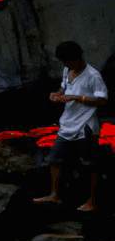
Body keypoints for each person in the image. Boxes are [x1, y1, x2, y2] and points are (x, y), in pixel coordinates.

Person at [33, 40, 108, 211]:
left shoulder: (93, 76)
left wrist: (77, 98)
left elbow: (103, 100)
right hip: (67, 123)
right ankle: (54, 195)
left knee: (89, 164)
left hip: (86, 126)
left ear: (77, 58)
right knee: (54, 159)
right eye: (64, 62)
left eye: (67, 61)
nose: (65, 65)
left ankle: (92, 201)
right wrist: (57, 95)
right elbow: (63, 88)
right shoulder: (68, 70)